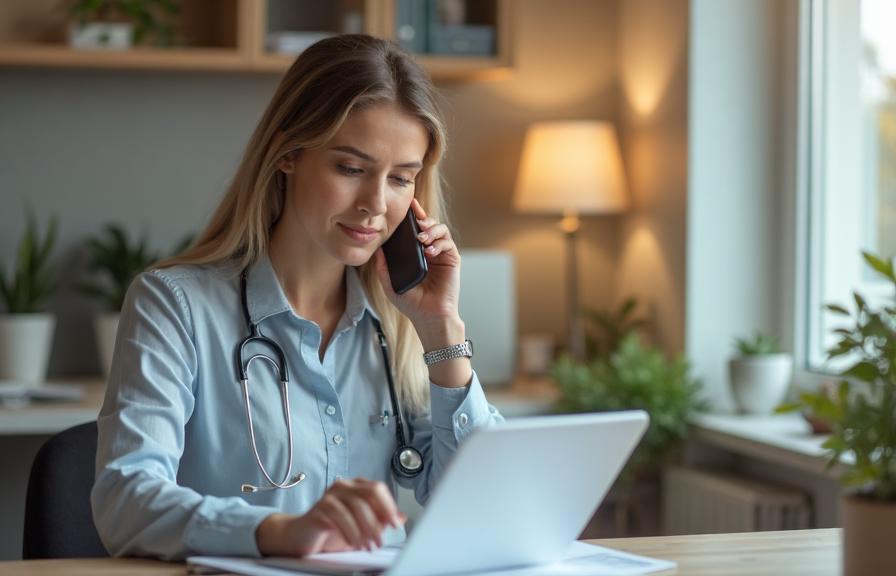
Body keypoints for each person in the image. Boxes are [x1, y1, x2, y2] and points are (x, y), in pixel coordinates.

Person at [91, 34, 504, 561]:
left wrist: (443, 328)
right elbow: (124, 501)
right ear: (288, 154)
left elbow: (484, 506)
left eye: (401, 179)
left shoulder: (395, 327)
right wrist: (280, 531)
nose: (375, 205)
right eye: (351, 169)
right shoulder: (174, 305)